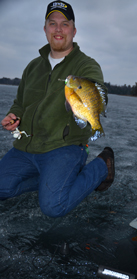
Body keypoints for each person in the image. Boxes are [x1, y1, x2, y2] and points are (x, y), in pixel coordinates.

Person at [0, 1, 114, 218]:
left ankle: (101, 166)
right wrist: (14, 115)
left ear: (74, 30)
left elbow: (96, 91)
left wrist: (83, 101)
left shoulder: (86, 65)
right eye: (53, 23)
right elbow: (19, 103)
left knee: (54, 206)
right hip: (27, 147)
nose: (58, 29)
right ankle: (54, 180)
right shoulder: (33, 67)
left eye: (65, 24)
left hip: (64, 146)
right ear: (45, 29)